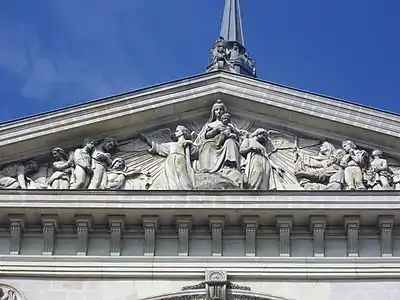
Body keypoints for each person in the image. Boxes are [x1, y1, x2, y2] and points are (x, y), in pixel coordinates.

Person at [138, 125, 196, 190]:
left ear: (183, 132)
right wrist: (146, 139)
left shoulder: (186, 143)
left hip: (180, 160)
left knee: (183, 176)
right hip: (170, 162)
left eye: (177, 131)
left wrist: (189, 169)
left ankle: (185, 190)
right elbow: (158, 147)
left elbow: (188, 158)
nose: (175, 133)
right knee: (171, 178)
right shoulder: (171, 144)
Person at [193, 100, 242, 173]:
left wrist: (232, 135)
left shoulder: (230, 125)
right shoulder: (209, 125)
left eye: (221, 109)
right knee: (208, 147)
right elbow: (203, 136)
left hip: (226, 142)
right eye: (216, 109)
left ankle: (229, 164)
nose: (219, 111)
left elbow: (238, 135)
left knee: (230, 142)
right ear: (213, 112)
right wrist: (215, 130)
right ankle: (208, 170)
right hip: (211, 143)